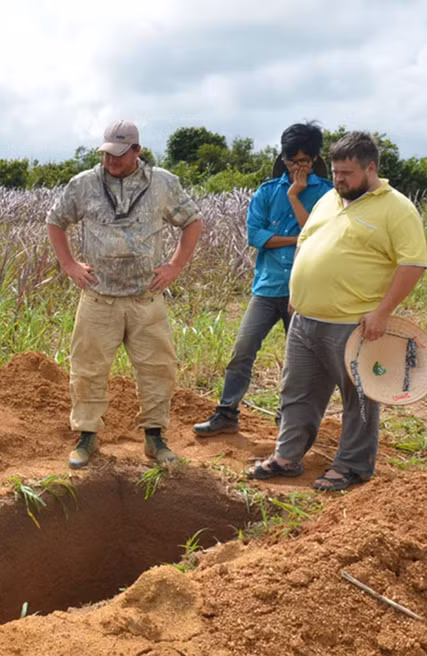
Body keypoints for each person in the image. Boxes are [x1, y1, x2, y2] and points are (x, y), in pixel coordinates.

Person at [246, 131, 427, 490]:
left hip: (353, 324)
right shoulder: (330, 199)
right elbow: (306, 239)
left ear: (371, 167)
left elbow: (413, 264)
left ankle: (352, 465)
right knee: (296, 391)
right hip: (306, 319)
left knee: (358, 398)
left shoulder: (397, 209)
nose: (339, 180)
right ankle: (287, 456)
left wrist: (382, 313)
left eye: (347, 173)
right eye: (336, 172)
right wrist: (298, 291)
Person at [47, 120, 203, 469]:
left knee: (157, 369)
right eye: (106, 154)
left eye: (119, 154)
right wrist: (70, 264)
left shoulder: (163, 183)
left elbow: (193, 221)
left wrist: (175, 266)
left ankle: (154, 438)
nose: (111, 161)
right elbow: (56, 221)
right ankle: (87, 437)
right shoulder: (84, 184)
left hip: (146, 298)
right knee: (87, 369)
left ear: (137, 151)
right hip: (99, 297)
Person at [194, 123, 333, 436]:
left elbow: (319, 235)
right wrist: (295, 239)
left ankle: (288, 422)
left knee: (298, 362)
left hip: (305, 291)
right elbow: (255, 236)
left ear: (314, 159)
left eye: (304, 162)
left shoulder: (326, 193)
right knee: (243, 348)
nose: (297, 168)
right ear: (283, 159)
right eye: (291, 161)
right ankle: (226, 413)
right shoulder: (267, 191)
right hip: (267, 288)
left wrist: (296, 197)